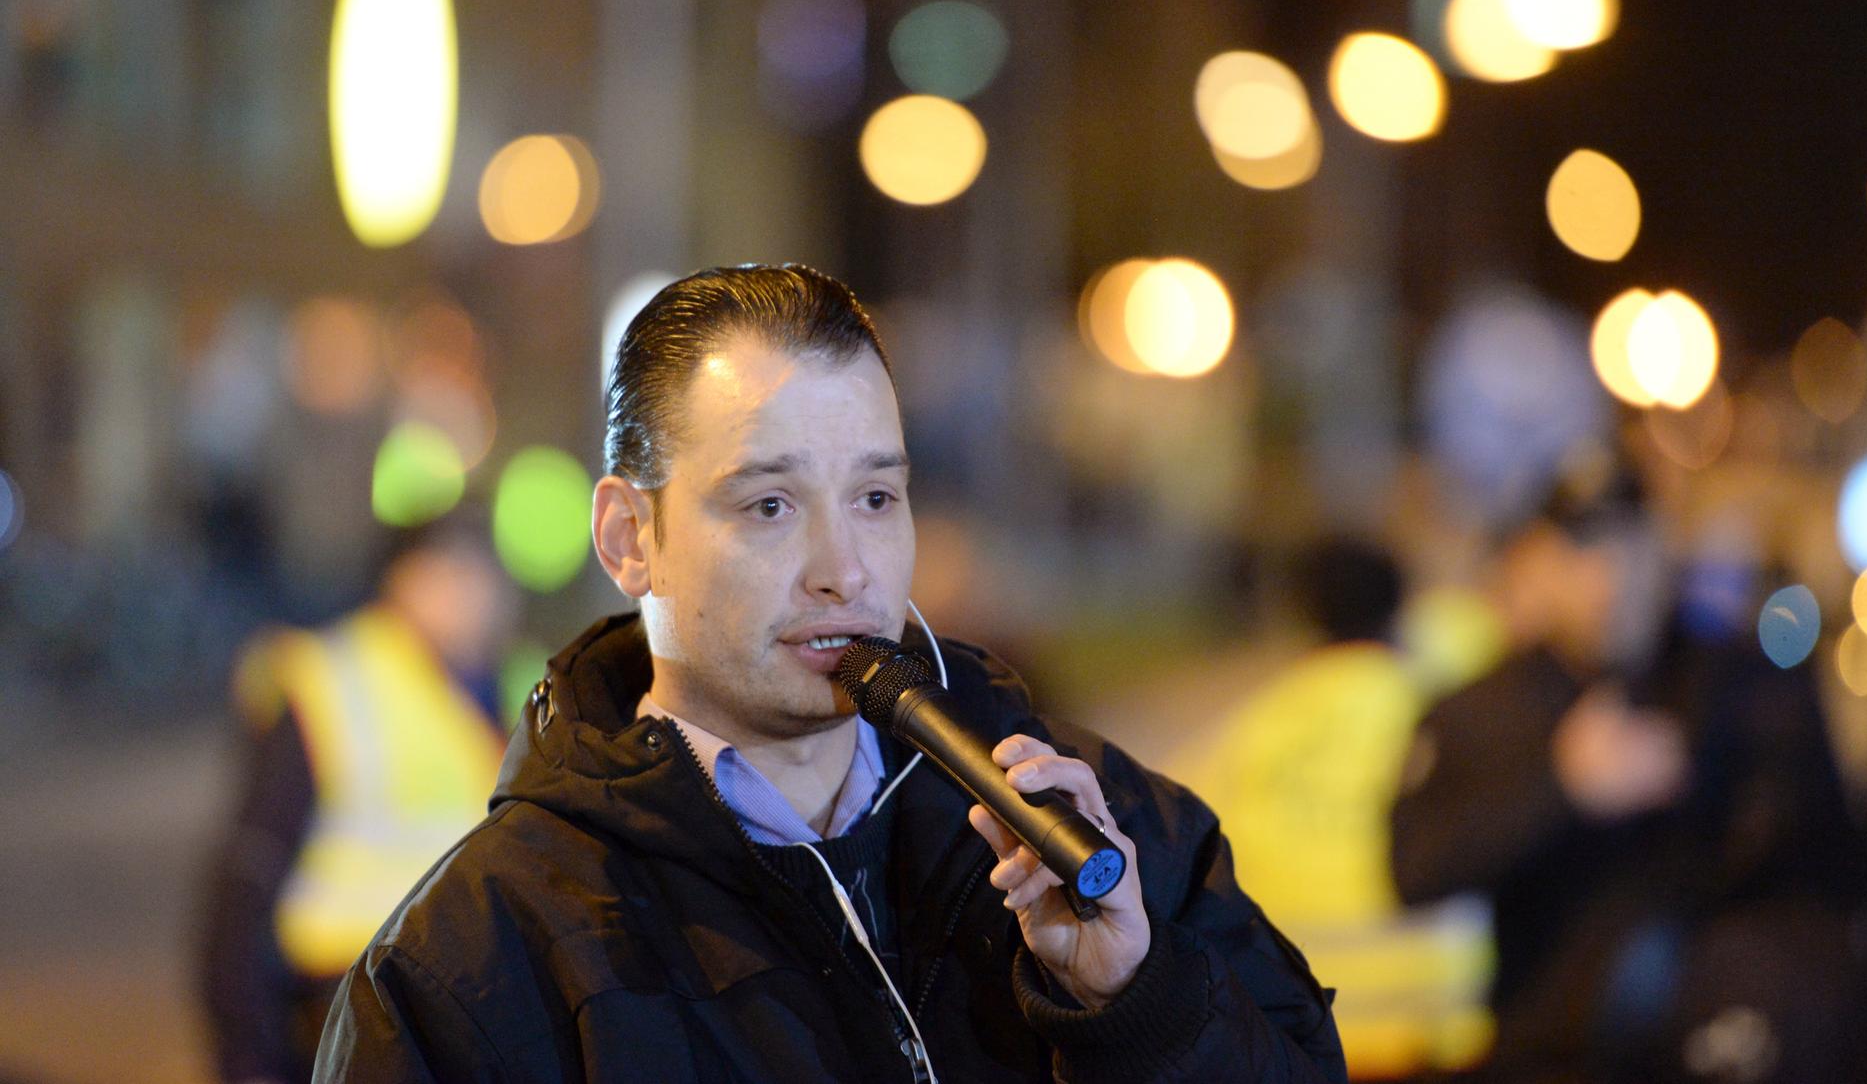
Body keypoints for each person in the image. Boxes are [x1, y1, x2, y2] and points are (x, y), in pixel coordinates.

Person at [313, 264, 1345, 1082]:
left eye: (876, 499)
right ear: (631, 538)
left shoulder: (1100, 833)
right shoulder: (474, 959)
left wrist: (1139, 1003)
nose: (844, 570)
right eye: (768, 505)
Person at [1391, 461, 1867, 1083]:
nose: (1611, 576)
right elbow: (1414, 870)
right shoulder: (1484, 708)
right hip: (1541, 1047)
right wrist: (1561, 788)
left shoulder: (1734, 680)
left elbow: (1834, 864)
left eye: (1632, 544)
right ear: (1538, 562)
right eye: (1584, 550)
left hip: (1715, 1032)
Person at [197, 517, 519, 1084]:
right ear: (402, 580)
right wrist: (246, 1054)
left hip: (452, 1007)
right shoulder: (332, 681)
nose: (479, 594)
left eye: (484, 573)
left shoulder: (493, 685)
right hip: (345, 1005)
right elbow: (248, 872)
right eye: (454, 571)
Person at [1179, 538, 1493, 1081]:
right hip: (1436, 1031)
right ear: (1401, 604)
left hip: (1306, 1032)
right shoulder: (1444, 708)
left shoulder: (1255, 728)